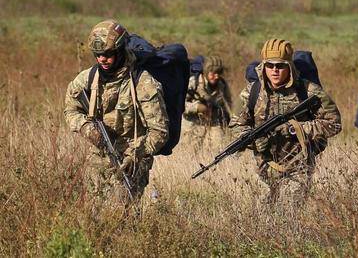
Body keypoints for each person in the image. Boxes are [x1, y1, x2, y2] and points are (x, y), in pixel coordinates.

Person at [63, 20, 168, 204]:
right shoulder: (88, 78)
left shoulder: (143, 83)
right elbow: (71, 110)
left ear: (120, 50)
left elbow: (159, 132)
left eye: (108, 54)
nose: (102, 59)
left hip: (131, 160)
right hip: (97, 159)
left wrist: (135, 154)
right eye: (98, 54)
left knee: (119, 213)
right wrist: (88, 129)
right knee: (90, 215)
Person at [229, 38, 341, 203]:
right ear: (263, 66)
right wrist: (253, 139)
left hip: (299, 167)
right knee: (261, 219)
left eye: (280, 66)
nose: (275, 70)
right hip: (262, 168)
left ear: (289, 66)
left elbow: (334, 124)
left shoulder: (308, 91)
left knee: (288, 219)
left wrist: (294, 128)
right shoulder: (251, 92)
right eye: (270, 65)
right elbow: (236, 125)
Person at [182, 56, 233, 151]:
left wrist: (225, 117)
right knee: (189, 154)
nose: (216, 76)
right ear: (206, 72)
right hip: (193, 124)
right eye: (213, 73)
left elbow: (228, 104)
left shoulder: (222, 85)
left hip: (214, 123)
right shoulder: (194, 83)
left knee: (219, 150)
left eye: (219, 73)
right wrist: (197, 107)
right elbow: (180, 105)